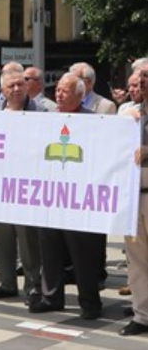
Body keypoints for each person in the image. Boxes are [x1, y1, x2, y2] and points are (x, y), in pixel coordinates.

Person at [30, 72, 106, 319]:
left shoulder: (95, 123)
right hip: (51, 197)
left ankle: (90, 303)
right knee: (49, 249)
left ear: (80, 96)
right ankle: (51, 297)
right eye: (58, 90)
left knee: (83, 255)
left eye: (65, 90)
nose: (59, 95)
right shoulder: (47, 120)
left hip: (81, 201)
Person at [0, 69, 43, 301]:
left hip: (27, 189)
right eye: (11, 86)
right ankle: (7, 284)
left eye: (21, 84)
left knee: (28, 242)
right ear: (2, 91)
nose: (17, 89)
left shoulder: (41, 112)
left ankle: (33, 286)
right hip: (0, 189)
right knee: (3, 241)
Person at [120, 62, 148, 336]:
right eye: (140, 79)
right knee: (137, 260)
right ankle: (142, 314)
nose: (142, 84)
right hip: (133, 198)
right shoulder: (129, 115)